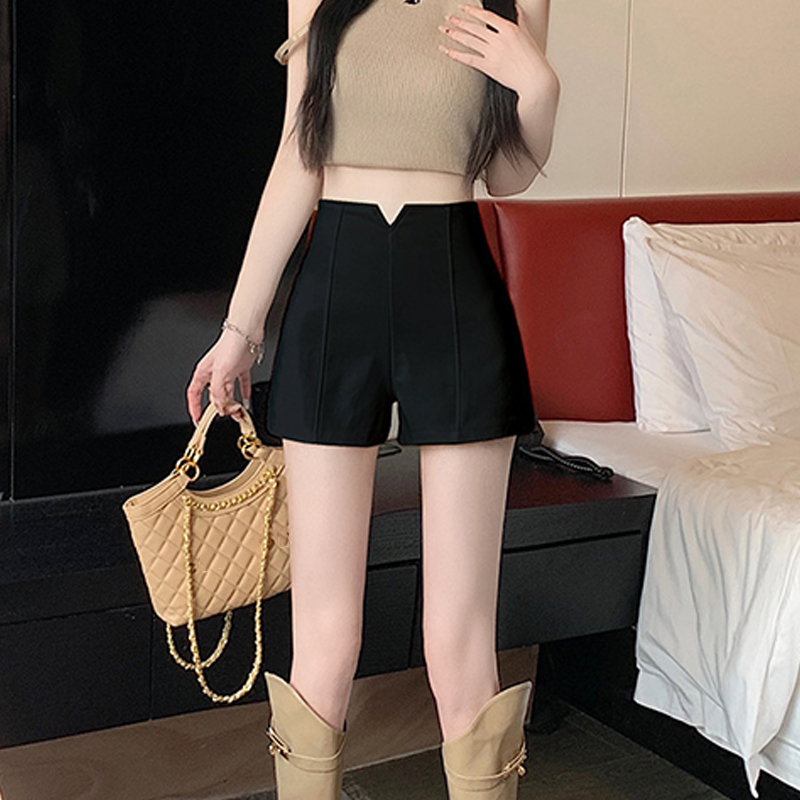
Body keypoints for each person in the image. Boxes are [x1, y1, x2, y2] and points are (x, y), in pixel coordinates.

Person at [186, 0, 559, 796]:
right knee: (325, 638)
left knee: (459, 643)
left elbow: (506, 173)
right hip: (335, 290)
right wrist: (241, 327)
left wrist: (540, 88)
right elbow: (299, 155)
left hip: (454, 287)